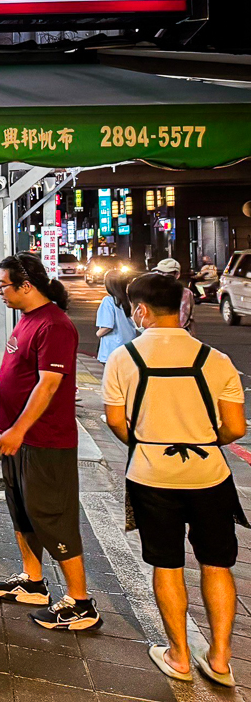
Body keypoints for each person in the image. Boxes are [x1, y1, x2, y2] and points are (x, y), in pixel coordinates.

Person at [101, 272, 245, 686]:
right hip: (209, 476)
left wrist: (151, 440)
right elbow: (234, 428)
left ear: (141, 309)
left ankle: (179, 656)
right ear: (182, 306)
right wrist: (198, 438)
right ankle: (219, 659)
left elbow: (117, 422)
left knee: (166, 565)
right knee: (217, 564)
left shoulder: (123, 359)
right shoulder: (215, 359)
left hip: (151, 474)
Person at [0, 253, 101, 630]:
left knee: (54, 516)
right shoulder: (27, 321)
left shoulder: (54, 325)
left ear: (26, 285)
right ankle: (34, 582)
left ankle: (81, 602)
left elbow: (49, 383)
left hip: (44, 440)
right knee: (23, 510)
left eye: (4, 285)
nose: (0, 292)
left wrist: (19, 429)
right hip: (18, 440)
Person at [95, 270, 138, 364]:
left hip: (112, 348)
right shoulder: (130, 300)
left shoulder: (108, 301)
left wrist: (98, 333)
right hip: (130, 345)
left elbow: (107, 326)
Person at [154, 258, 194, 331]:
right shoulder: (152, 290)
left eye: (166, 273)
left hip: (174, 333)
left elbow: (182, 318)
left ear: (177, 275)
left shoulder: (184, 293)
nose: (162, 275)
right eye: (159, 272)